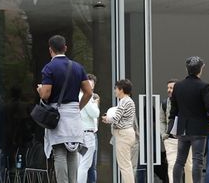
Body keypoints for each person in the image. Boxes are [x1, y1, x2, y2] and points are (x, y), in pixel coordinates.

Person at [36, 35, 93, 183]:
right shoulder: (77, 67)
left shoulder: (49, 68)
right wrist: (78, 107)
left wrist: (40, 90)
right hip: (74, 115)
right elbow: (88, 92)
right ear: (65, 48)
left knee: (59, 152)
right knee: (73, 151)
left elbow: (46, 94)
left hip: (58, 115)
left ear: (50, 50)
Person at [171, 56, 209, 183]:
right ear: (200, 69)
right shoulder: (204, 86)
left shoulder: (178, 86)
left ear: (187, 69)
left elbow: (174, 108)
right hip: (199, 129)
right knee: (197, 160)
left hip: (183, 128)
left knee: (180, 160)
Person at [103, 78, 136, 183]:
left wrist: (106, 119)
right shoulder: (129, 101)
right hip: (127, 133)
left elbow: (116, 118)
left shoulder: (124, 101)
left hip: (123, 135)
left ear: (121, 89)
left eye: (115, 88)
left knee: (124, 166)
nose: (114, 91)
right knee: (127, 164)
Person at [163, 78, 190, 183]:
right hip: (171, 139)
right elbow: (161, 120)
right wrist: (164, 134)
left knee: (189, 167)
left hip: (186, 138)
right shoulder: (165, 103)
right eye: (168, 88)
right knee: (172, 166)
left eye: (172, 88)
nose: (169, 90)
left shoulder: (187, 102)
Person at [78, 74, 100, 183]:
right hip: (87, 134)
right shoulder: (86, 96)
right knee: (84, 165)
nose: (91, 88)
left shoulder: (79, 96)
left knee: (87, 165)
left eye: (92, 86)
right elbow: (95, 113)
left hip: (88, 133)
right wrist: (95, 104)